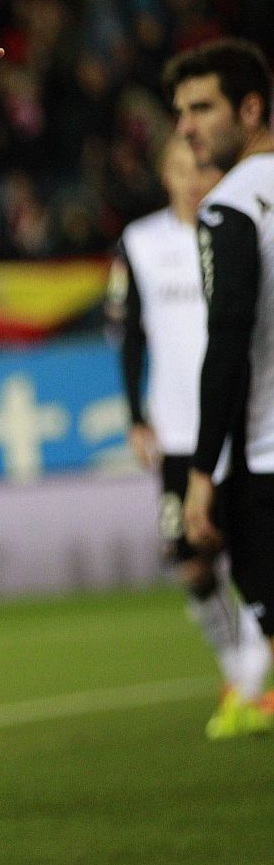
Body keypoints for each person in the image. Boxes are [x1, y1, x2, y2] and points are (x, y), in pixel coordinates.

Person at [108, 135, 270, 738]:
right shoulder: (140, 243)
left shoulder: (235, 229)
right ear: (165, 175)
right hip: (177, 429)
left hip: (241, 423)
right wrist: (134, 415)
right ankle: (238, 669)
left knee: (252, 551)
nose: (194, 178)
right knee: (192, 564)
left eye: (202, 166)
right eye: (181, 168)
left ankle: (250, 684)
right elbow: (129, 335)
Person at [170, 38, 274, 696]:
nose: (185, 127)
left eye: (202, 107)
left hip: (266, 460)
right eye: (181, 112)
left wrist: (203, 472)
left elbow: (229, 341)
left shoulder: (228, 206)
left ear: (251, 108)